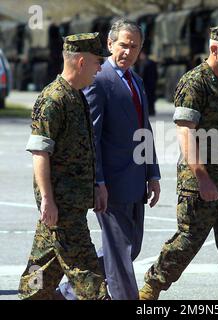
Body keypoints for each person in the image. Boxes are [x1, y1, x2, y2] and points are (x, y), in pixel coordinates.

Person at [139, 26, 218, 300]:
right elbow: (185, 132)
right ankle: (150, 290)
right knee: (187, 242)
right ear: (214, 48)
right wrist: (202, 176)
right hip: (201, 181)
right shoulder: (194, 82)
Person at [59, 19, 161, 300]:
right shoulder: (99, 79)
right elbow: (91, 135)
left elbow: (145, 130)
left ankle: (70, 289)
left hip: (137, 181)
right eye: (123, 45)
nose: (128, 52)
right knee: (121, 254)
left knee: (131, 247)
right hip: (112, 184)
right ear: (109, 44)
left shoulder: (136, 80)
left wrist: (153, 174)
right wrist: (97, 180)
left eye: (135, 47)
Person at [18, 33, 111, 300]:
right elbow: (40, 153)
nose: (100, 67)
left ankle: (31, 297)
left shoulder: (77, 96)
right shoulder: (53, 100)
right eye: (97, 62)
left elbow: (83, 151)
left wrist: (95, 185)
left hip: (71, 203)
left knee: (42, 269)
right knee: (87, 274)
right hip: (61, 205)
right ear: (81, 62)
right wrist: (47, 199)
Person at [134, 49, 158, 115]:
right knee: (148, 98)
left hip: (149, 83)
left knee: (150, 97)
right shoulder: (140, 63)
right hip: (147, 83)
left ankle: (151, 111)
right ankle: (150, 111)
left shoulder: (149, 63)